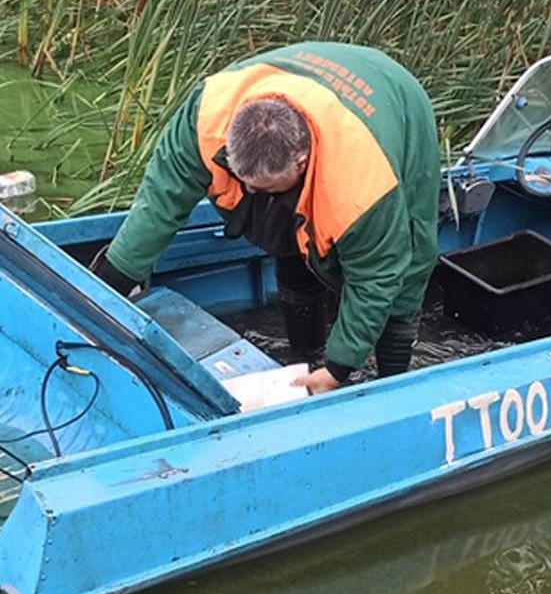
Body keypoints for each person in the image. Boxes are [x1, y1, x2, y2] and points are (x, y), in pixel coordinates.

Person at [94, 42, 440, 394]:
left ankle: (394, 383)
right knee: (284, 232)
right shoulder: (206, 118)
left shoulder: (364, 182)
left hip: (395, 100)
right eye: (249, 185)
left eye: (269, 187)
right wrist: (108, 286)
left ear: (302, 162)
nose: (256, 194)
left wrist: (337, 369)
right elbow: (158, 205)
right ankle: (304, 352)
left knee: (406, 266)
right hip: (301, 82)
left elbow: (377, 276)